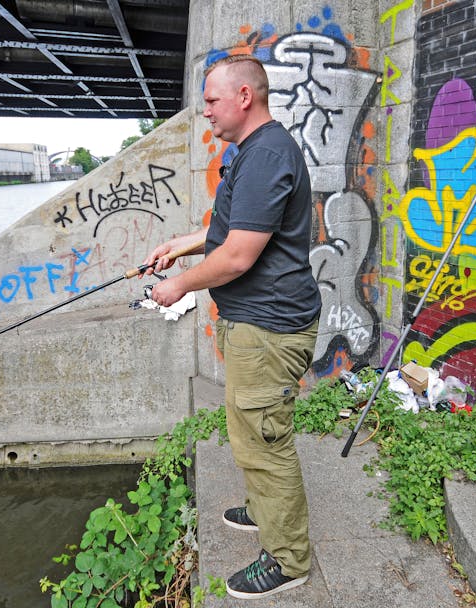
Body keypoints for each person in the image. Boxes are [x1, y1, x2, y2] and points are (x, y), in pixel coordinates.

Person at [141, 54, 321, 600]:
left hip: (269, 329)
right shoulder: (255, 151)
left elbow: (240, 255)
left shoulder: (265, 154)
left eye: (213, 101)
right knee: (250, 431)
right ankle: (265, 507)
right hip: (255, 324)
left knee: (264, 441)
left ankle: (290, 560)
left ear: (245, 97)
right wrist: (183, 244)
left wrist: (179, 286)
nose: (207, 114)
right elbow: (233, 227)